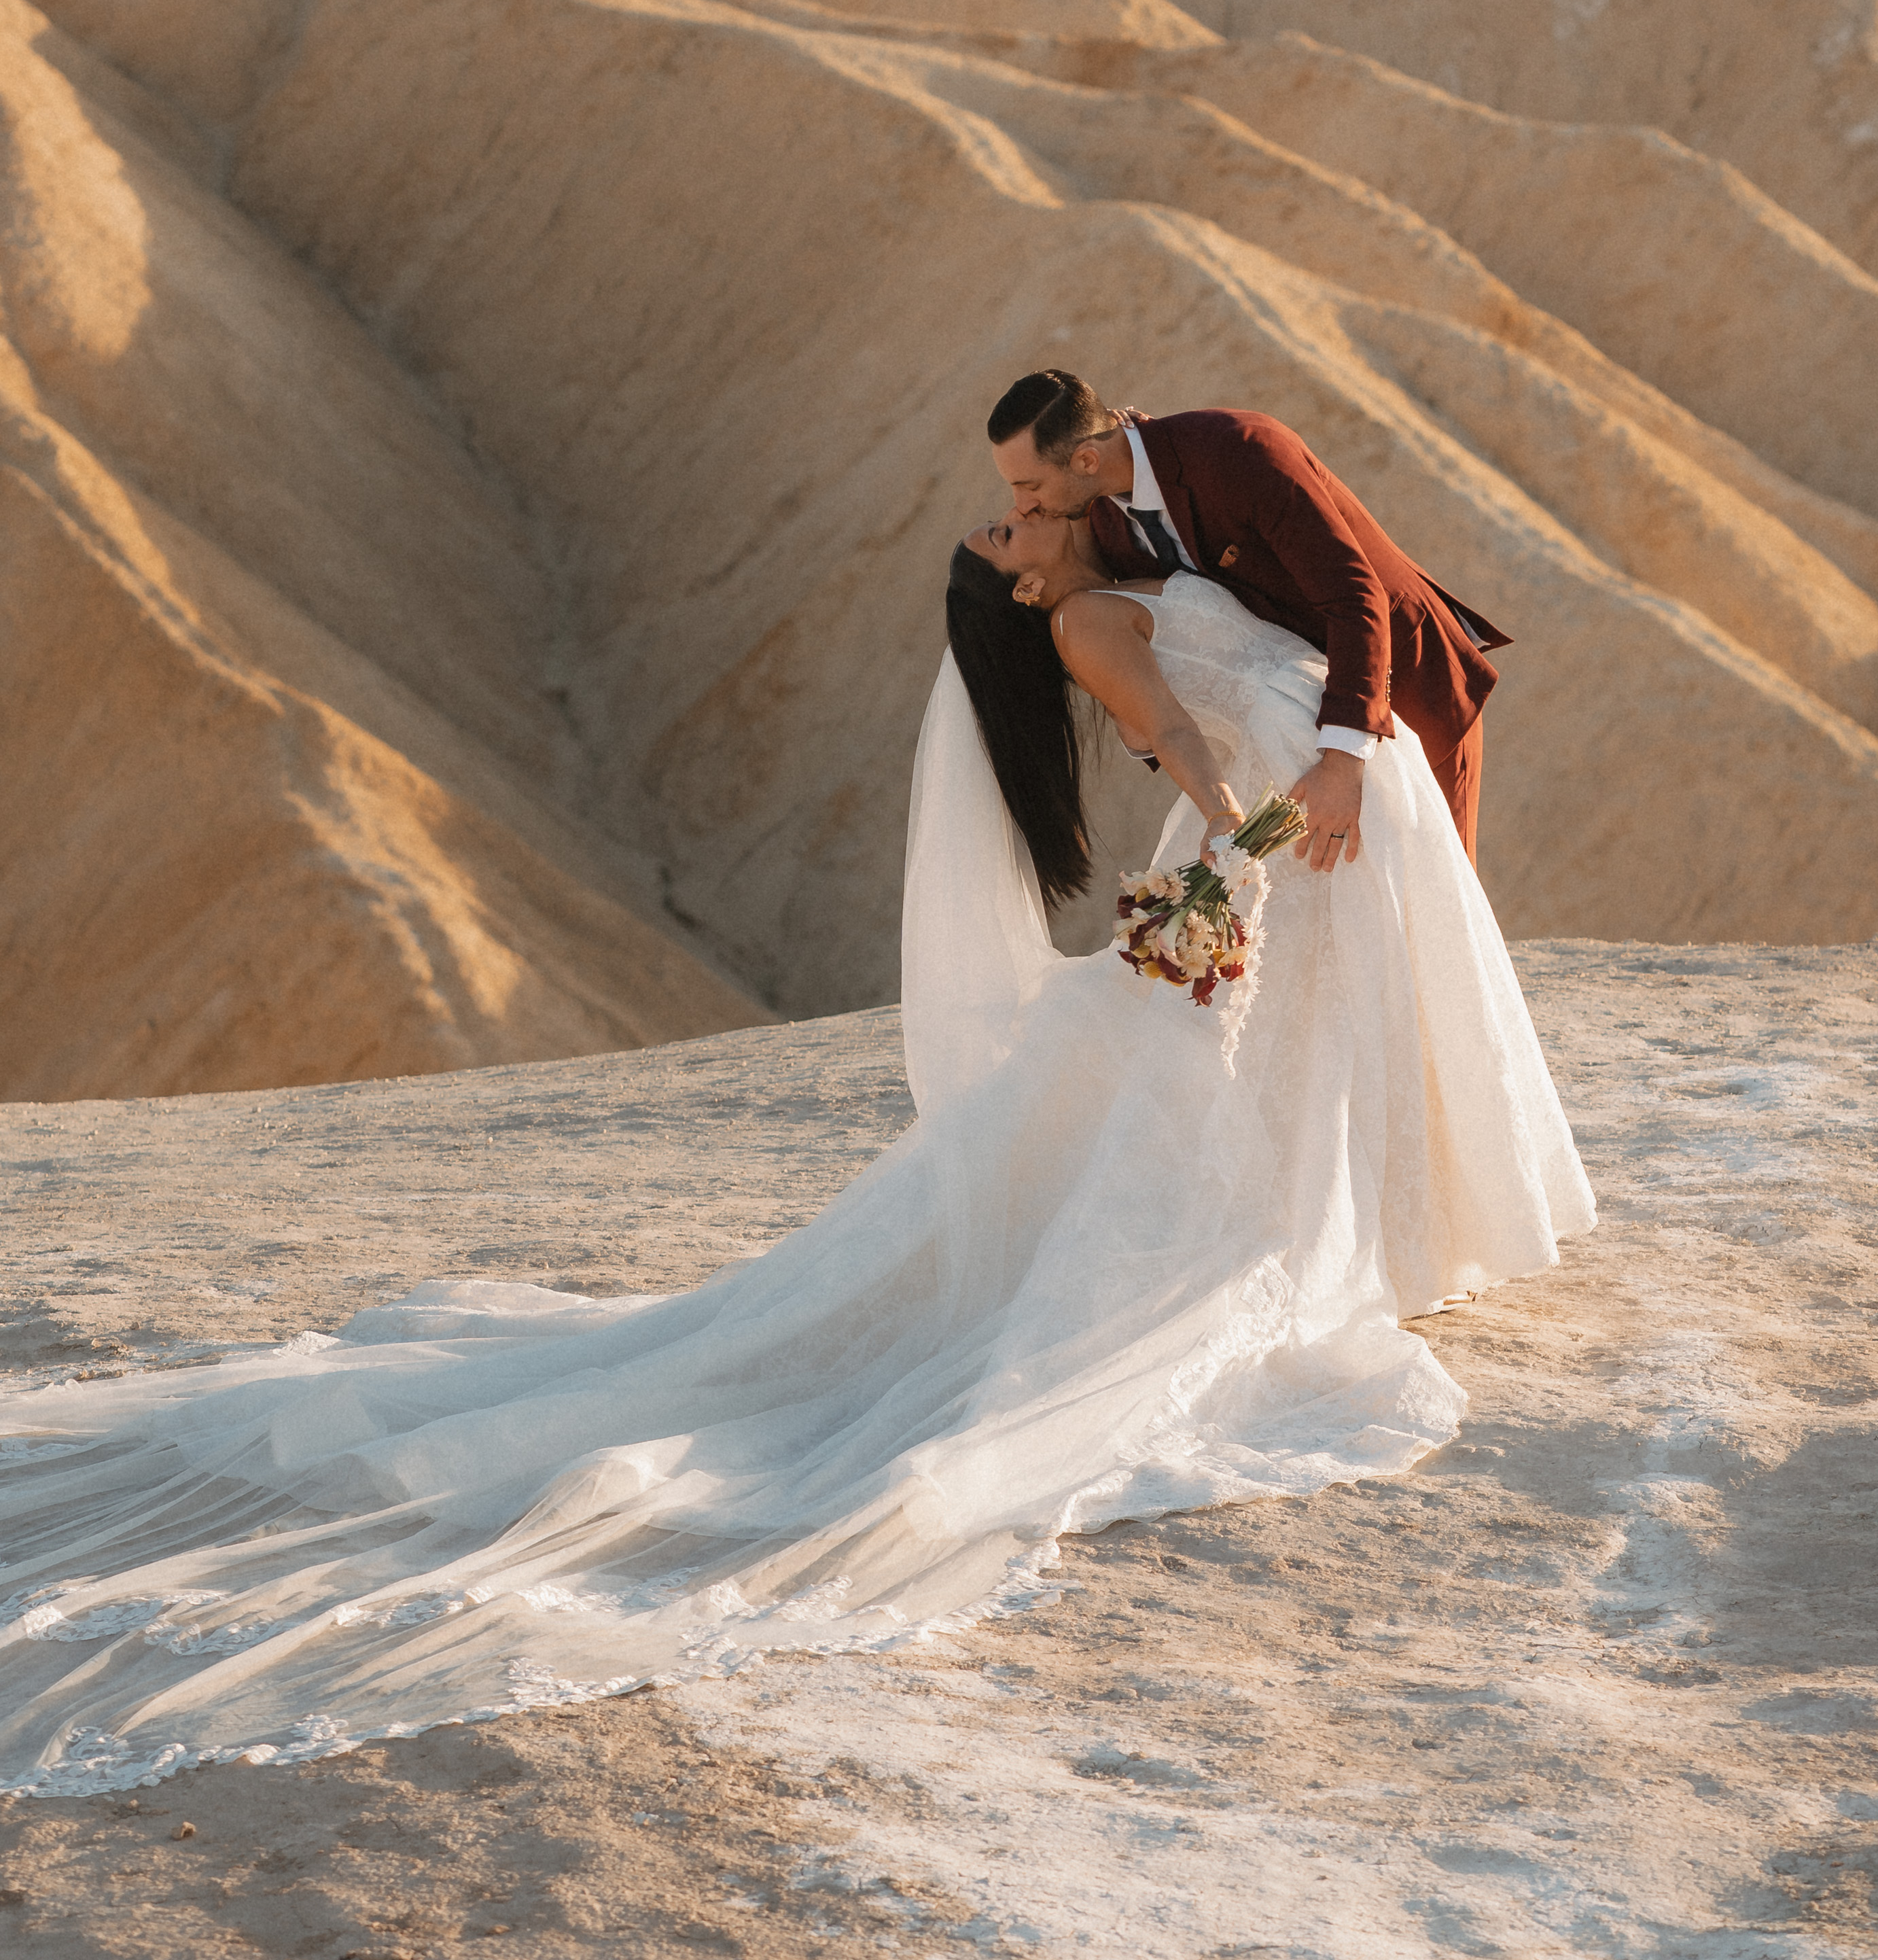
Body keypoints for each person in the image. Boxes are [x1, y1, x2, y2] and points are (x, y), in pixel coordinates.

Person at [0, 447, 1592, 1798]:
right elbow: (1183, 751)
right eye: (1009, 537)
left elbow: (1294, 642)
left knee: (1283, 1071)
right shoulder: (1098, 615)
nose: (1024, 521)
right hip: (1286, 831)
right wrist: (1236, 851)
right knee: (1203, 1128)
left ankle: (1374, 1222)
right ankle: (1338, 1236)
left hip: (1321, 811)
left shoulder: (1141, 560)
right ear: (1027, 591)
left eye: (1019, 508)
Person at [985, 368, 1506, 864]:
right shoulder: (1101, 517)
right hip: (1296, 735)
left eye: (1029, 486)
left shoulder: (1239, 450)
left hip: (1403, 681)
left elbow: (1353, 594)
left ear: (1085, 460)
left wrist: (1343, 760)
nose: (1022, 505)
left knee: (1435, 892)